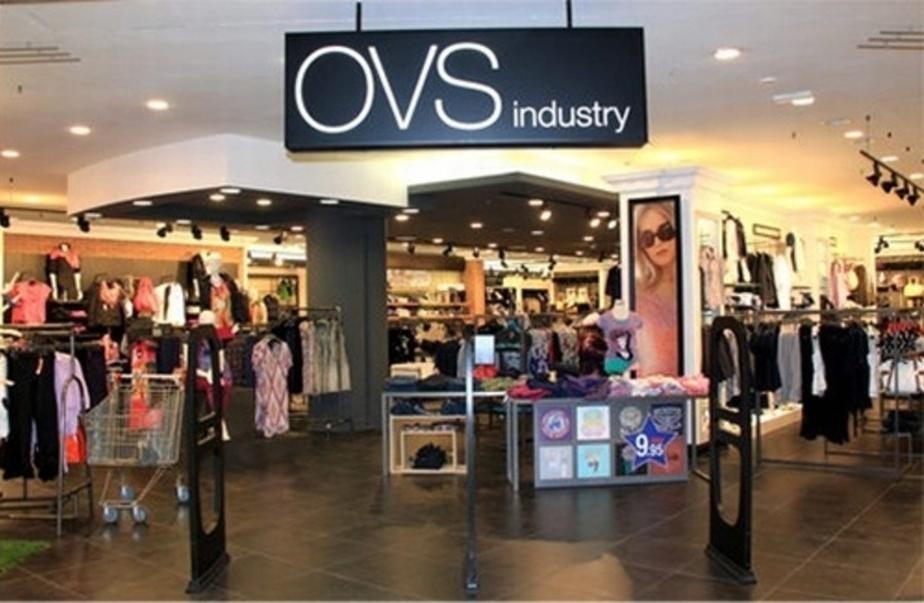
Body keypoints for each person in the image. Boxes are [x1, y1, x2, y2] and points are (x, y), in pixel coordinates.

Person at [634, 202, 679, 375]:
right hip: (648, 385)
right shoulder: (638, 294)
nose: (658, 242)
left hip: (692, 383)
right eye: (647, 238)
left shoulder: (695, 285)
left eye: (665, 232)